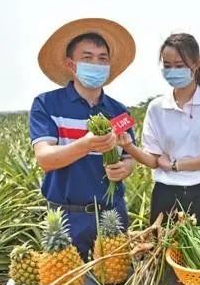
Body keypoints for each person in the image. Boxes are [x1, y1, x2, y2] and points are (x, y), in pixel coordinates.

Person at [30, 18, 136, 261]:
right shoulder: (47, 104)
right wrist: (86, 144)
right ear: (71, 64)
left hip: (112, 214)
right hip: (68, 217)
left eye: (102, 59)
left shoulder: (120, 111)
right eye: (87, 58)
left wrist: (125, 169)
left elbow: (129, 156)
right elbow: (45, 159)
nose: (96, 64)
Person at [118, 33, 200, 224]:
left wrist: (174, 165)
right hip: (165, 195)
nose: (172, 71)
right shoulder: (156, 107)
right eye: (167, 65)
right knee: (162, 252)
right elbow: (153, 160)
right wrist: (129, 147)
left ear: (195, 65)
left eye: (179, 66)